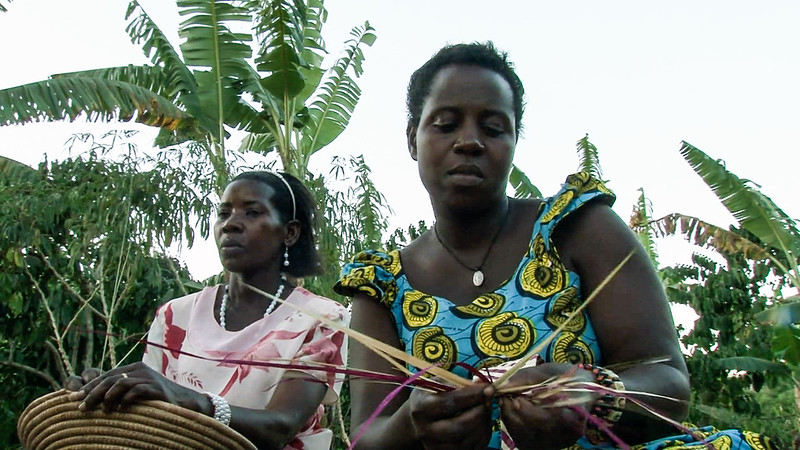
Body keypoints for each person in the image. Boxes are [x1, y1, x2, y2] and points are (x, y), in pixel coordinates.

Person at [334, 42, 775, 449]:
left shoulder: (578, 227)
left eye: (494, 128)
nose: (469, 142)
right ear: (412, 138)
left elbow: (668, 382)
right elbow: (367, 437)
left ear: (512, 144)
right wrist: (413, 426)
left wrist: (592, 398)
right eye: (445, 124)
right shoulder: (382, 286)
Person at [67, 171, 349, 450]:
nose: (230, 225)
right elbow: (150, 422)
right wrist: (108, 392)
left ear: (289, 233)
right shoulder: (175, 316)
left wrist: (186, 398)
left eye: (252, 213)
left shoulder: (321, 319)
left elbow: (280, 427)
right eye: (224, 213)